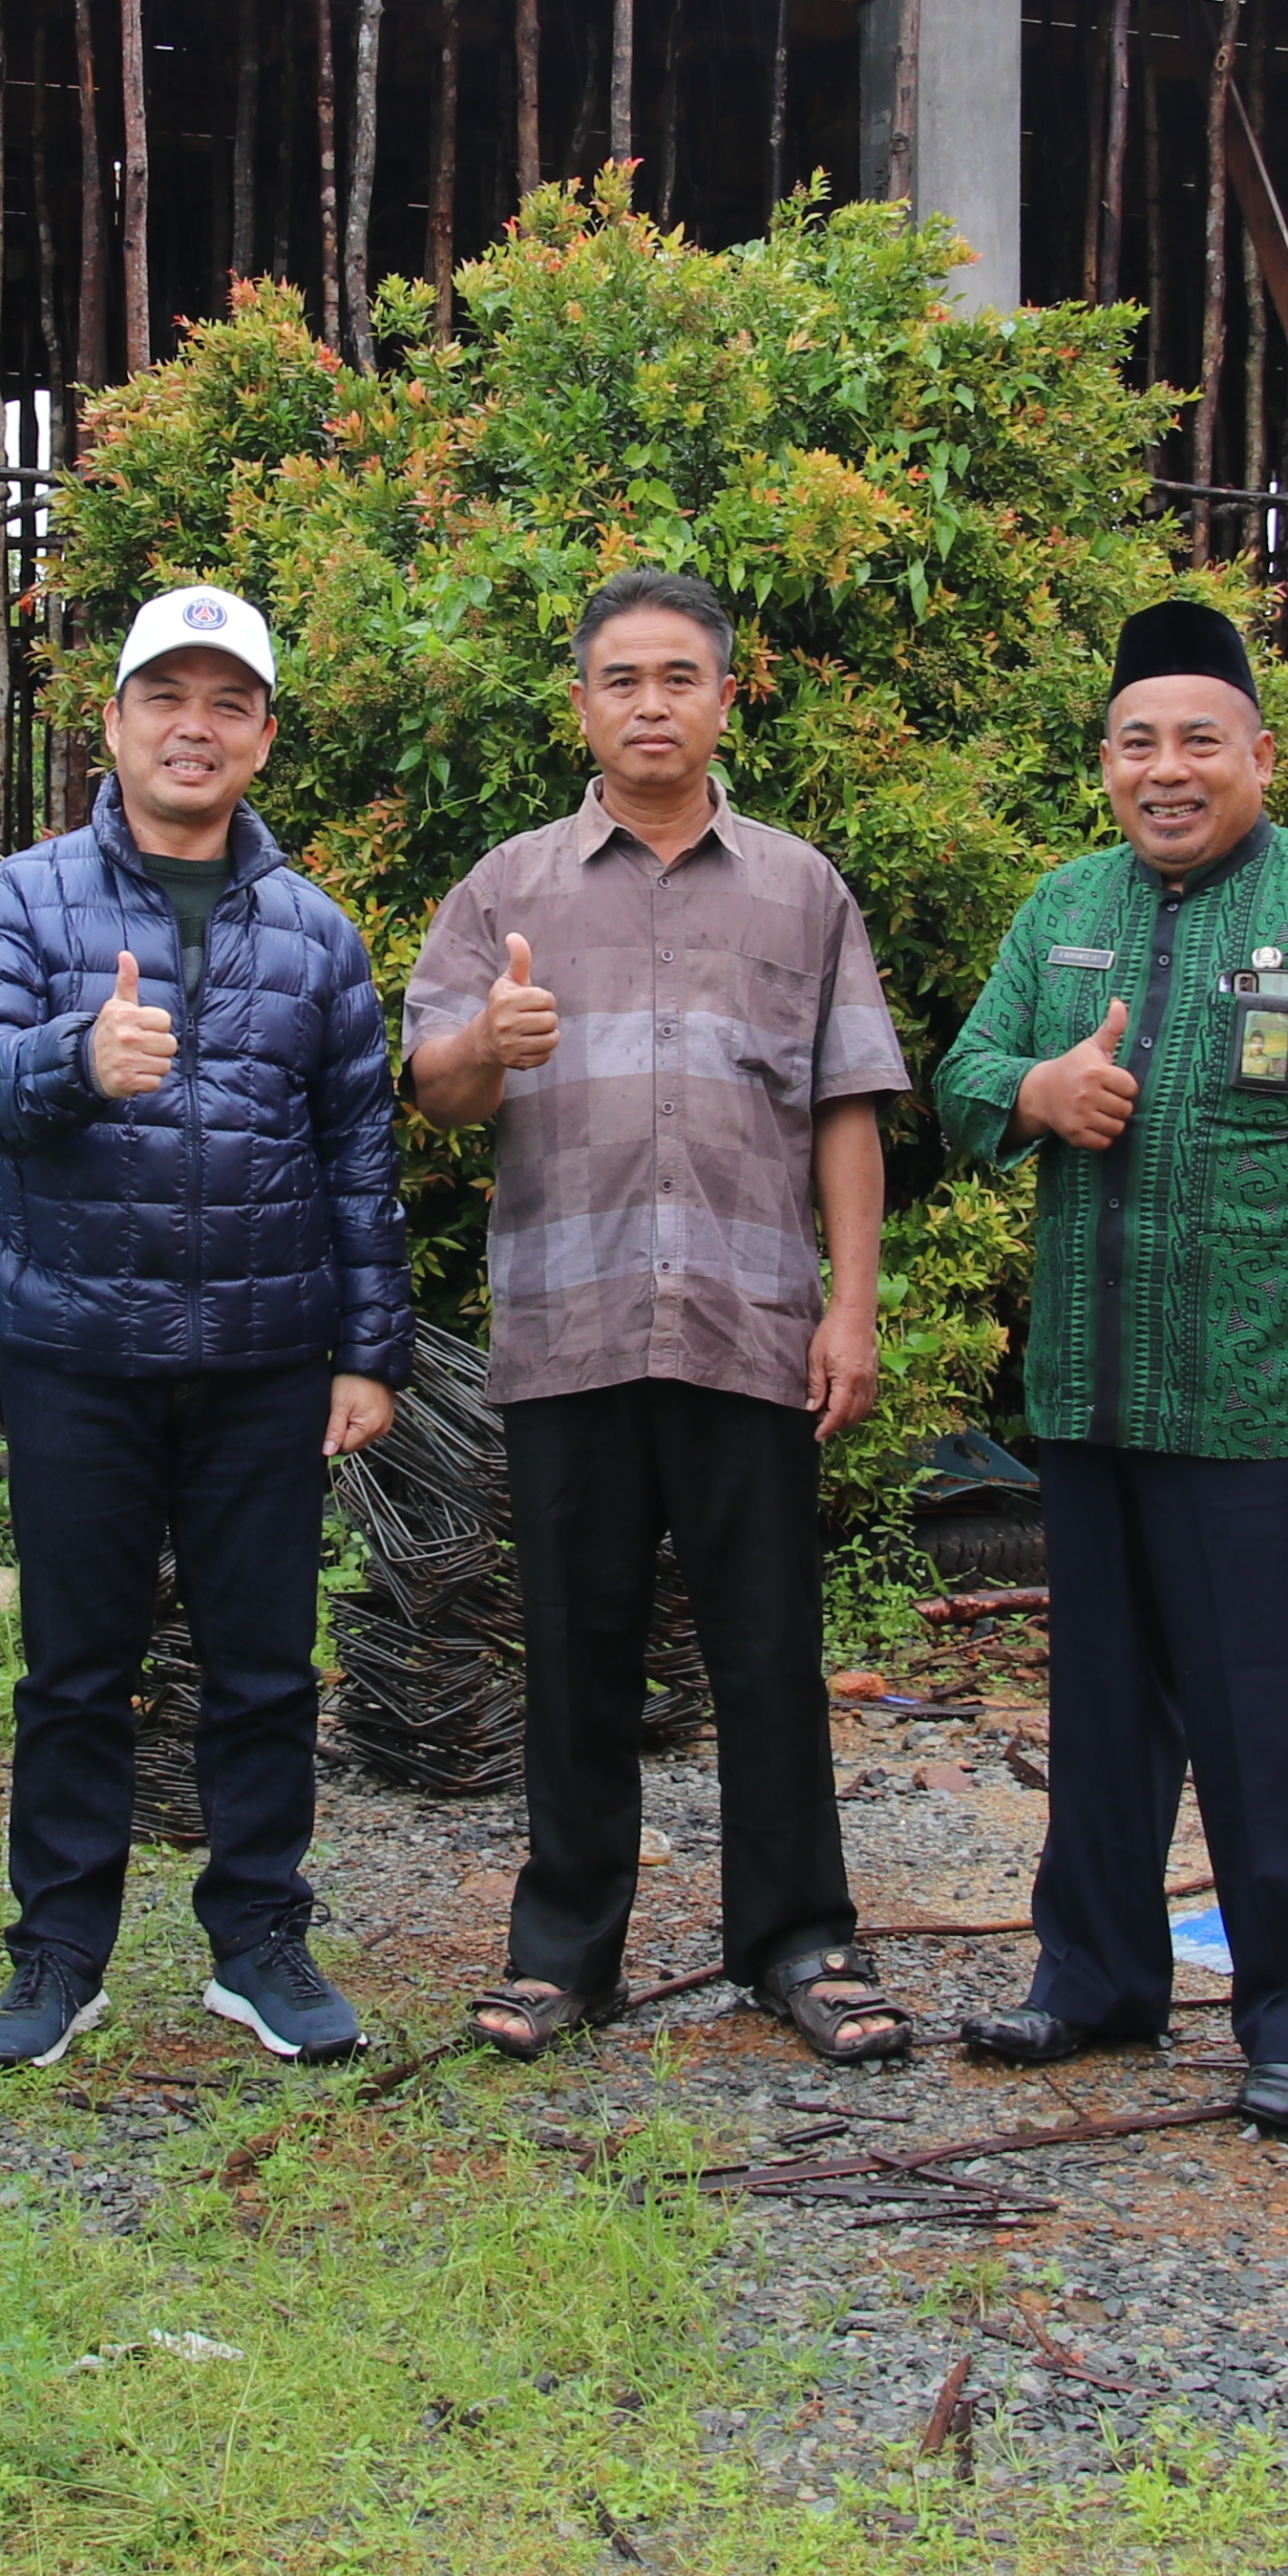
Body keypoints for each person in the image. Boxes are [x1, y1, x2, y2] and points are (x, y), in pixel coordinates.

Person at [935, 600, 1288, 2136]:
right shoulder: (1064, 906)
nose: (1167, 769)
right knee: (1100, 1714)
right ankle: (1094, 1980)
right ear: (1105, 762)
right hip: (1093, 1394)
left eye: (1199, 742)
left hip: (1273, 1399)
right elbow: (962, 1079)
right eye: (1138, 743)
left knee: (1275, 1720)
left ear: (1261, 756)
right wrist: (1037, 1089)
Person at [403, 568, 918, 2070]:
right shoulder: (508, 889)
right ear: (582, 704)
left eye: (678, 677)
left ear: (725, 700)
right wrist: (487, 1044)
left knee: (768, 1648)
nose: (649, 704)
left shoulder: (801, 890)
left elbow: (847, 1106)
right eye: (621, 679)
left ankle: (798, 1941)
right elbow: (435, 1091)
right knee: (576, 1651)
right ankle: (566, 1952)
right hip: (570, 1328)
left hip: (752, 1326)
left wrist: (853, 1310)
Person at [0, 583, 411, 2070]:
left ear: (262, 737)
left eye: (226, 705)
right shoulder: (20, 903)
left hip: (265, 1362)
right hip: (78, 1351)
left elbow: (359, 1157)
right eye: (166, 699)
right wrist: (76, 1059)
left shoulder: (316, 936)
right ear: (117, 722)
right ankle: (58, 1954)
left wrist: (368, 1352)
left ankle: (258, 1942)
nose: (194, 729)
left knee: (265, 1669)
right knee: (75, 1671)